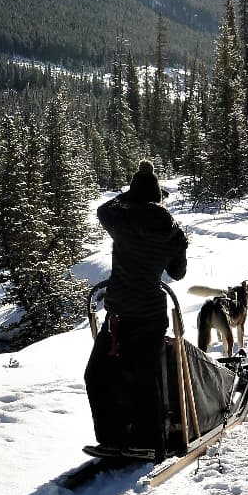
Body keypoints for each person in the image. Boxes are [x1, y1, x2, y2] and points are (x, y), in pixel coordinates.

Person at [85, 160, 188, 452]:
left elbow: (102, 210)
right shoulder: (172, 231)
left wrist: (126, 197)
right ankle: (150, 440)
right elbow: (178, 273)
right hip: (151, 315)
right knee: (145, 377)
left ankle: (112, 436)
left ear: (134, 195)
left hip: (118, 314)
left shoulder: (122, 221)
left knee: (97, 374)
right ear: (158, 197)